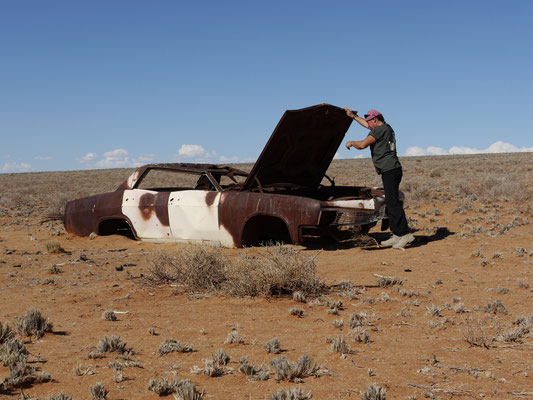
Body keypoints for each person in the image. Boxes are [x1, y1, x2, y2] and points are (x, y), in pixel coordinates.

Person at [344, 108, 415, 249]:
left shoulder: (379, 130)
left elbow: (363, 144)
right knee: (390, 201)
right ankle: (396, 234)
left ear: (375, 120)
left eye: (370, 122)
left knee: (393, 202)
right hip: (391, 169)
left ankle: (405, 234)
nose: (368, 125)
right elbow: (366, 124)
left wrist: (351, 142)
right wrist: (353, 116)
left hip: (390, 170)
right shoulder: (385, 128)